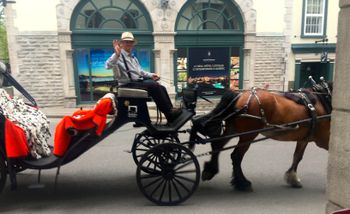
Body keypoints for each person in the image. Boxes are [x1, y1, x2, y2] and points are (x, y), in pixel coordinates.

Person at [105, 32, 181, 122]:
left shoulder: (133, 58)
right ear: (121, 43)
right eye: (126, 42)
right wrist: (116, 54)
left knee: (161, 87)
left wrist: (152, 75)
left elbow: (140, 72)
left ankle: (170, 112)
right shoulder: (118, 56)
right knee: (154, 86)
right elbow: (108, 65)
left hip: (135, 82)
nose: (129, 44)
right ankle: (168, 113)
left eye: (130, 42)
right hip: (127, 84)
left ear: (133, 44)